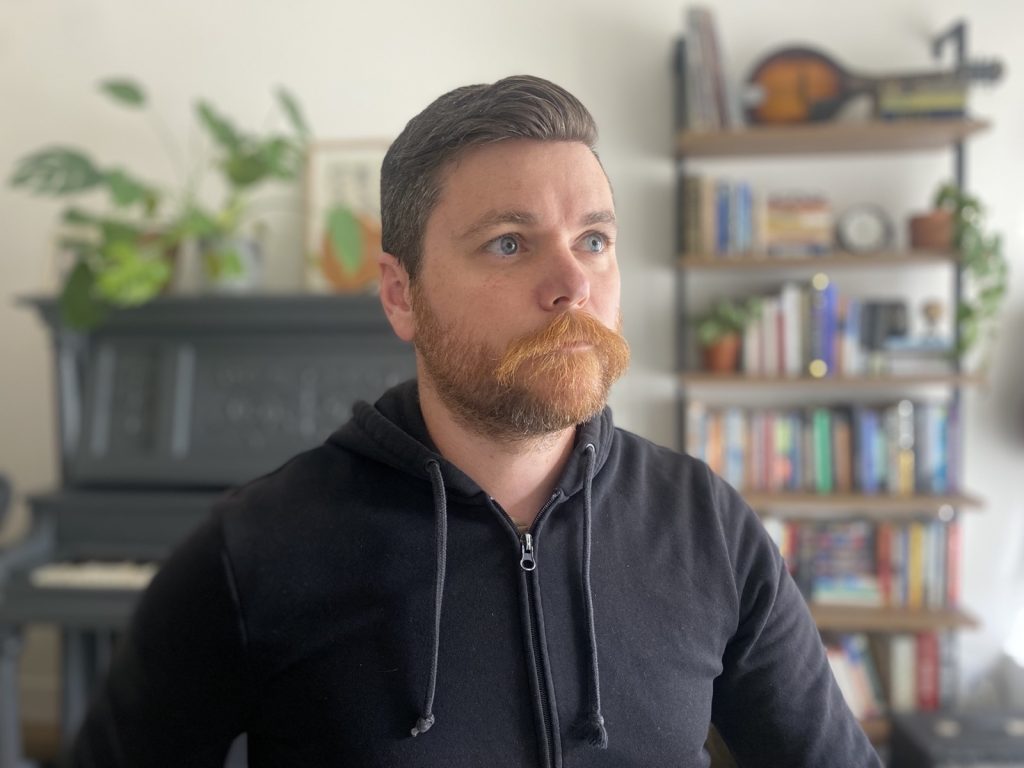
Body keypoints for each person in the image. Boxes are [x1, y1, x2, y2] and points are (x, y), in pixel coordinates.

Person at [71, 75, 881, 767]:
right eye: (507, 244)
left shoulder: (704, 522)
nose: (574, 284)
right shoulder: (253, 549)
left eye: (594, 239)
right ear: (400, 293)